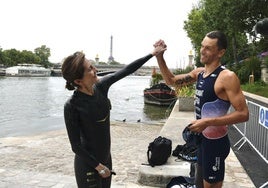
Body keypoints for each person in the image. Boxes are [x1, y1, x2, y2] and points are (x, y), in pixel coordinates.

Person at [154, 31, 249, 188]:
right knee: (200, 182)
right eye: (202, 46)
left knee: (211, 185)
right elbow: (171, 81)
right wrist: (160, 57)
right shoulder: (199, 73)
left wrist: (207, 121)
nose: (202, 51)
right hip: (201, 140)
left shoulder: (227, 77)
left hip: (215, 142)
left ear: (221, 52)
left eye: (208, 48)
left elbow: (243, 114)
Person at [61, 46, 165, 188]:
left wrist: (152, 54)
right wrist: (98, 167)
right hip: (88, 165)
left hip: (106, 158)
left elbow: (127, 70)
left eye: (93, 66)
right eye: (90, 69)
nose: (95, 70)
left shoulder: (102, 87)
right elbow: (76, 146)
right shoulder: (72, 106)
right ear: (78, 81)